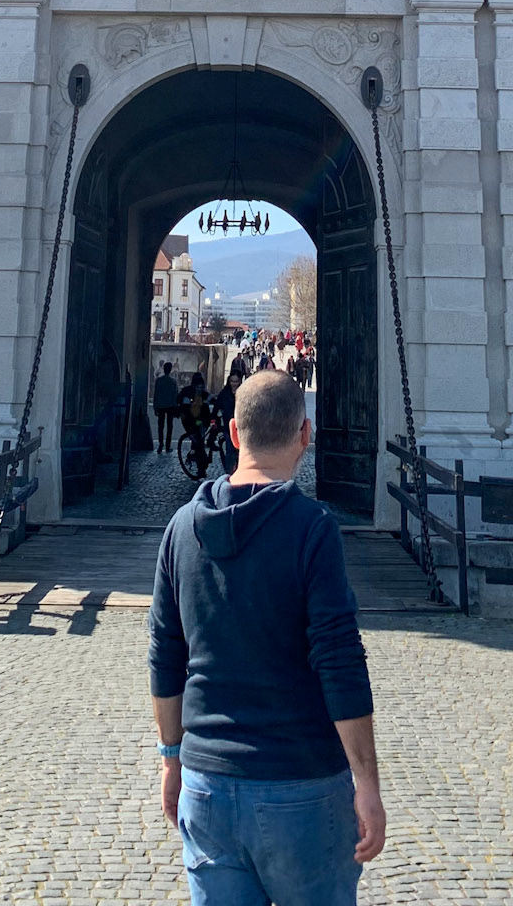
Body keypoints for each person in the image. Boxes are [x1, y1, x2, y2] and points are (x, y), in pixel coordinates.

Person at [150, 369, 385, 905]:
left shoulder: (181, 529)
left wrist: (171, 759)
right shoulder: (312, 529)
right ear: (306, 436)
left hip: (206, 781)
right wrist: (366, 783)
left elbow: (165, 654)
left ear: (233, 434)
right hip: (300, 784)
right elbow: (339, 659)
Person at [155, 362, 181, 453]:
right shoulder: (173, 381)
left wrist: (155, 406)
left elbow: (156, 394)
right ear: (170, 370)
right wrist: (176, 407)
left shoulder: (159, 381)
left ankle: (160, 444)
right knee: (170, 426)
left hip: (161, 406)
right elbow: (176, 395)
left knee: (160, 426)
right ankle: (167, 446)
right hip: (170, 406)